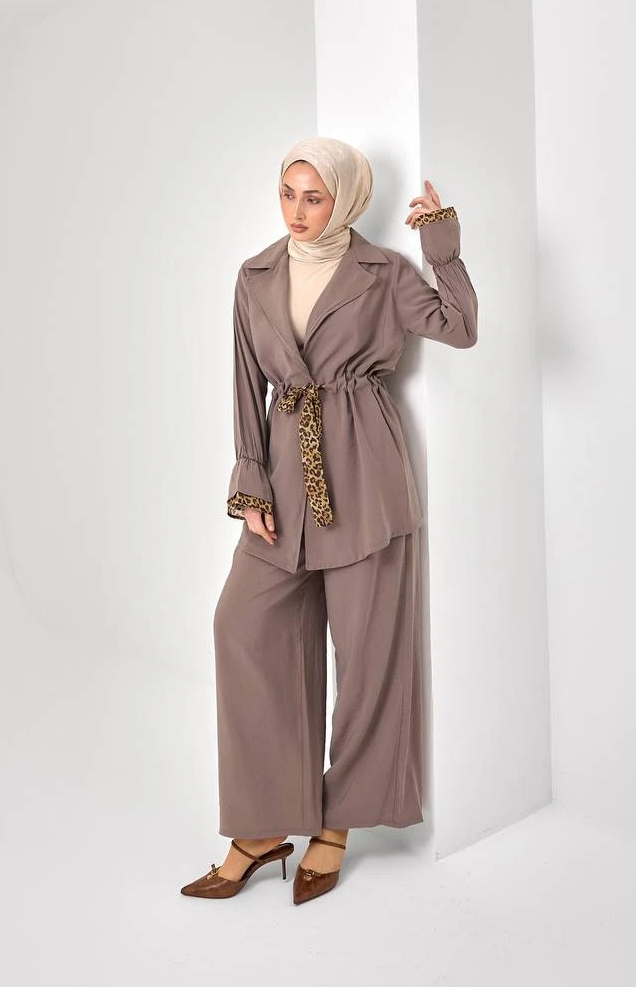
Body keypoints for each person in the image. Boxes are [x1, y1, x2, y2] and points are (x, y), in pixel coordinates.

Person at [181, 137, 479, 904]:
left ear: (343, 199)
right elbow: (245, 384)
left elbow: (458, 326)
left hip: (366, 477)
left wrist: (441, 242)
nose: (297, 211)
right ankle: (261, 825)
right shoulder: (254, 275)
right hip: (283, 479)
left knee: (368, 658)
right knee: (242, 628)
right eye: (288, 193)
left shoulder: (383, 272)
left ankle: (338, 824)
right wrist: (249, 481)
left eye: (313, 197)